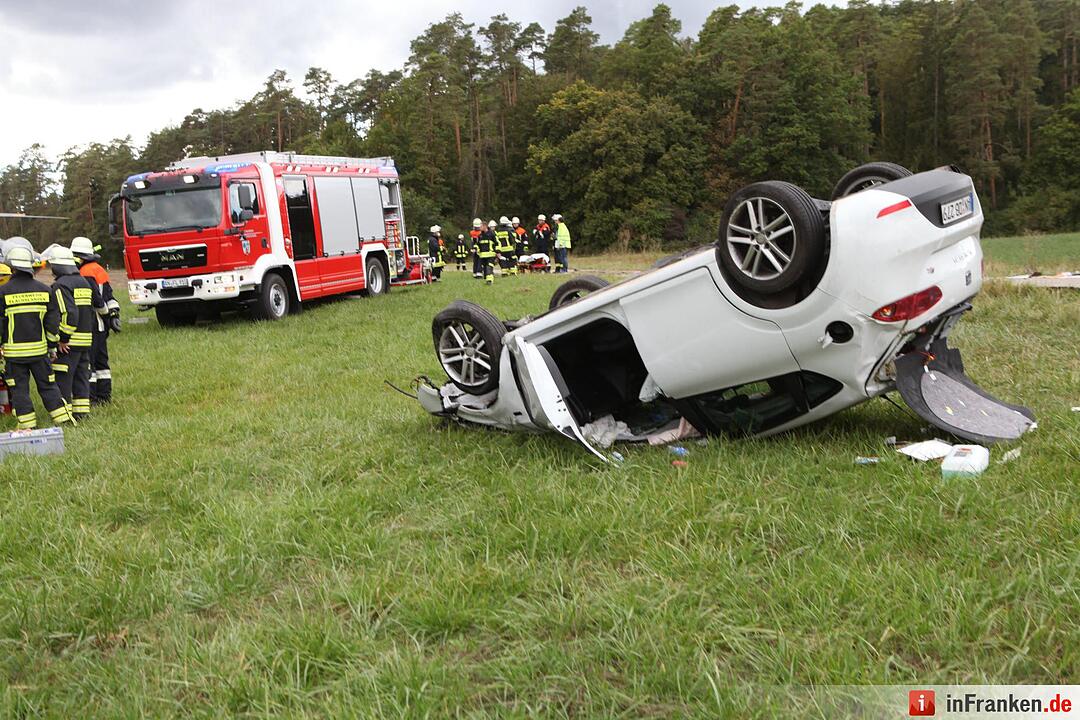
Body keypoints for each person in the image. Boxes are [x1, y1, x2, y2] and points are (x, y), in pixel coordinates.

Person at [0, 244, 73, 430]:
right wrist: (51, 346)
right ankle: (64, 420)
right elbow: (52, 322)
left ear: (12, 267)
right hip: (40, 352)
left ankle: (27, 426)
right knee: (49, 386)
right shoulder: (45, 290)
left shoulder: (3, 292)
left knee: (20, 390)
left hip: (14, 355)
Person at [46, 246, 104, 421]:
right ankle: (82, 413)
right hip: (85, 340)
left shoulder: (60, 286)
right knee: (81, 378)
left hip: (69, 344)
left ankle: (66, 414)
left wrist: (63, 339)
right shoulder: (84, 282)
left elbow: (69, 313)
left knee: (64, 378)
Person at [71, 237, 119, 404]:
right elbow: (109, 296)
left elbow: (97, 299)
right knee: (102, 363)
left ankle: (90, 397)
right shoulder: (99, 269)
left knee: (89, 364)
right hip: (101, 326)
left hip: (91, 323)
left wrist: (105, 314)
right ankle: (104, 396)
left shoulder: (84, 273)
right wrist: (113, 316)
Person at [477, 220, 497, 285]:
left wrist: (498, 252)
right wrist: (476, 249)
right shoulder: (480, 236)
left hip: (491, 254)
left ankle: (490, 281)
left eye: (481, 226)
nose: (479, 228)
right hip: (483, 255)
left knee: (489, 267)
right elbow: (478, 245)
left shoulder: (491, 234)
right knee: (485, 268)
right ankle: (487, 279)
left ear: (485, 226)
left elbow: (497, 243)